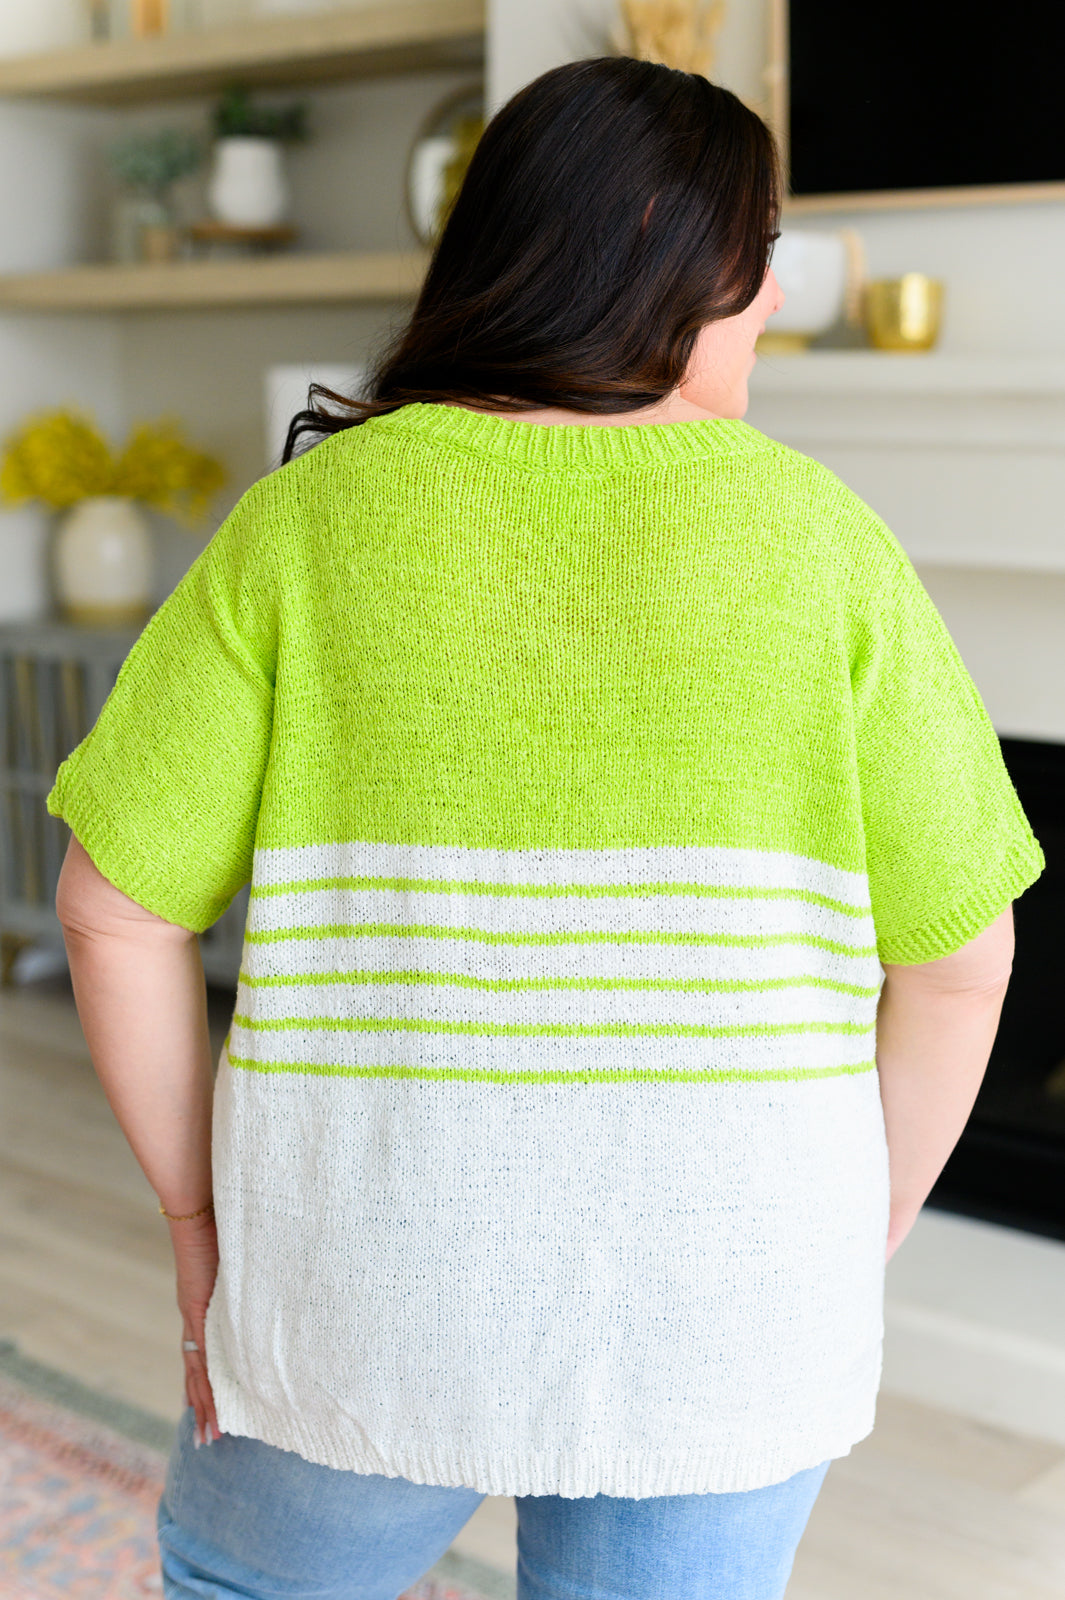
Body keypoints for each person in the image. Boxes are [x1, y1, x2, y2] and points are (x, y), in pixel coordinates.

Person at [49, 55, 1042, 1600]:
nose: (776, 296)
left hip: (360, 1287)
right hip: (727, 1303)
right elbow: (963, 961)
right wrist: (851, 1227)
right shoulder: (826, 547)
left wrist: (199, 1229)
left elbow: (112, 909)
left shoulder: (302, 528)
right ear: (682, 268)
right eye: (762, 252)